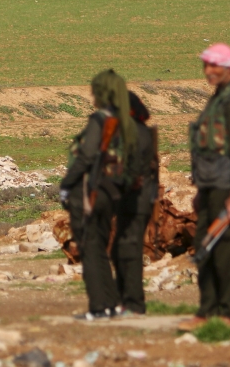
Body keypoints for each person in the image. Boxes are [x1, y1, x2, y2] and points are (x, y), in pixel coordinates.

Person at [178, 44, 230, 332]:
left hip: (228, 186)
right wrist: (200, 188)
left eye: (214, 66)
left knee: (226, 251)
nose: (208, 71)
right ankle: (207, 311)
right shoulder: (219, 97)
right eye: (205, 66)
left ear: (228, 67)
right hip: (210, 185)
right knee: (204, 246)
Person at [59, 69, 136, 321]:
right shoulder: (126, 122)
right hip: (113, 191)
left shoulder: (100, 120)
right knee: (100, 248)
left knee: (90, 249)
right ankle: (112, 304)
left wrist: (66, 184)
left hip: (90, 191)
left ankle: (99, 307)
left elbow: (87, 156)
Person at [112, 91, 158, 317]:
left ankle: (134, 304)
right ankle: (124, 300)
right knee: (119, 250)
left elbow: (133, 171)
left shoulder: (137, 134)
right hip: (129, 200)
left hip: (136, 200)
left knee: (129, 250)